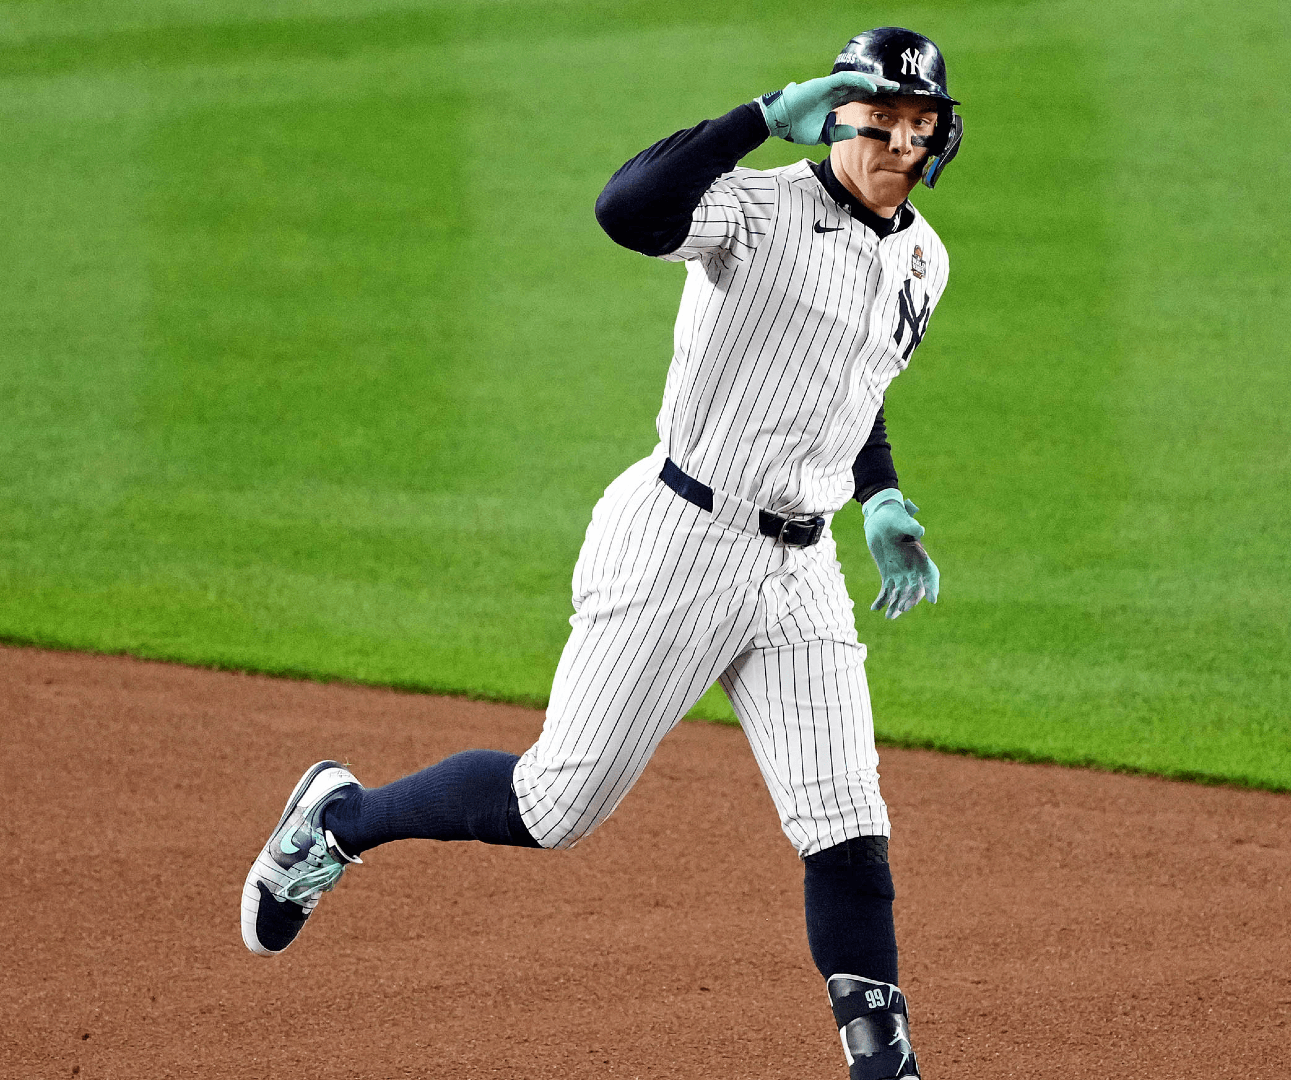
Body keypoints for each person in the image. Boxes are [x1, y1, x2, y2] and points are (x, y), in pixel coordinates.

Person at [239, 27, 964, 1080]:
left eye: (917, 121)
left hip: (802, 571)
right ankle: (338, 822)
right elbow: (625, 209)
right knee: (554, 807)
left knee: (846, 817)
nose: (896, 139)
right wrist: (759, 114)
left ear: (942, 132)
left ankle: (883, 1061)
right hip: (680, 542)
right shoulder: (753, 210)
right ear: (838, 113)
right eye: (875, 115)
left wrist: (882, 496)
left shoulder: (927, 259)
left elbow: (854, 386)